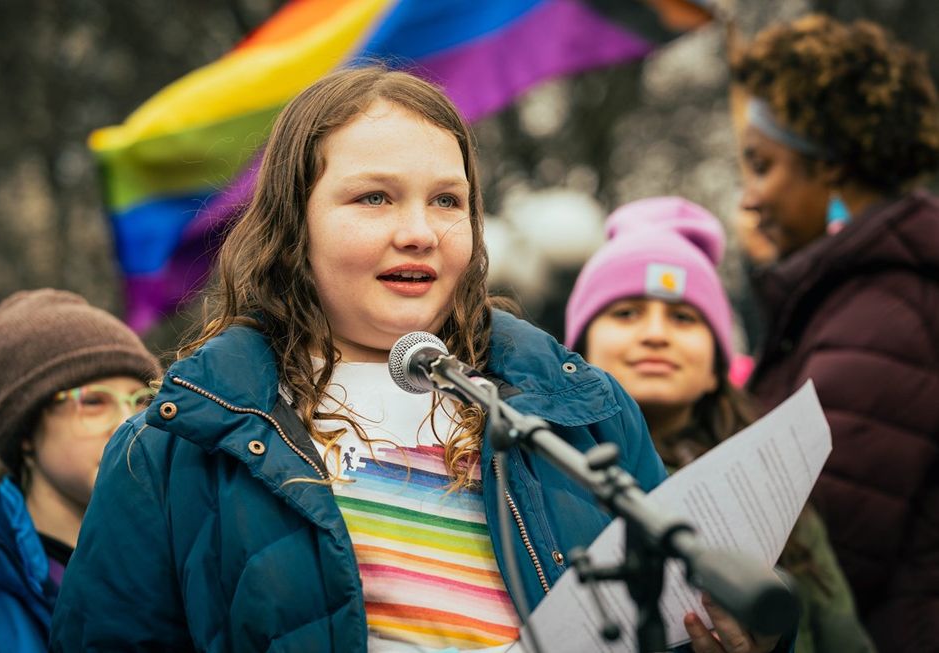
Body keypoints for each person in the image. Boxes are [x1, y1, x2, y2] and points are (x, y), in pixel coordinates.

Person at [51, 67, 778, 653]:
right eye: (374, 198)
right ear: (292, 225)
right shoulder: (174, 446)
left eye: (446, 201)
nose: (419, 232)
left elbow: (679, 616)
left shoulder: (581, 407)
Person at [565, 196, 875, 653]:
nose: (655, 333)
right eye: (626, 313)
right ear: (580, 346)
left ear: (716, 364)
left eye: (684, 317)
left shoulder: (776, 483)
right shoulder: (538, 475)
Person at [728, 15, 939, 652]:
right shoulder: (868, 297)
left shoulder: (884, 317)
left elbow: (818, 546)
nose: (750, 197)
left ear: (831, 171)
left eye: (762, 166)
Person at [0, 288, 161, 652]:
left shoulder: (186, 553)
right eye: (94, 402)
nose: (127, 423)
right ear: (26, 433)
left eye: (142, 400)